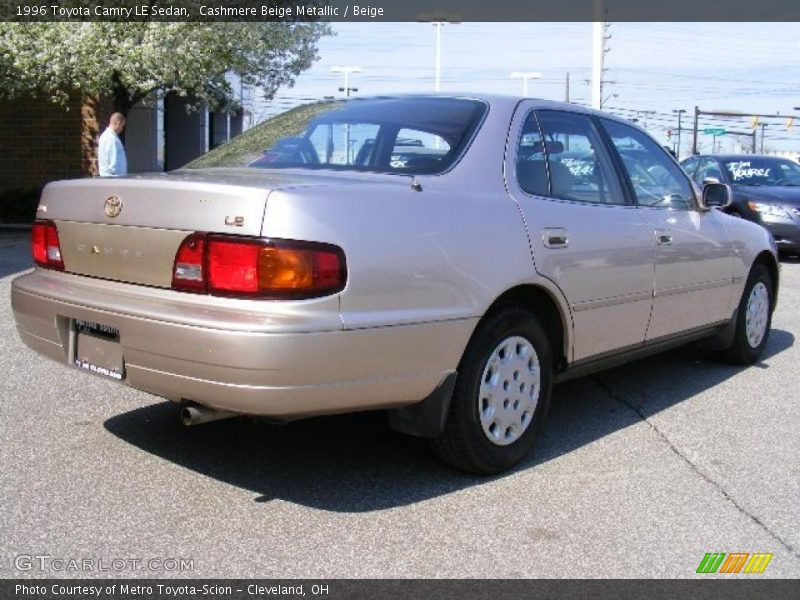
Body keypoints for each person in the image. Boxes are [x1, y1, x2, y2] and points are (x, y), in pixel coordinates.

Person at [97, 113, 128, 177]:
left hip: (112, 178)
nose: (122, 129)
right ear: (118, 123)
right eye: (122, 126)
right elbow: (112, 162)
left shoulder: (110, 137)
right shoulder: (111, 139)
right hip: (113, 178)